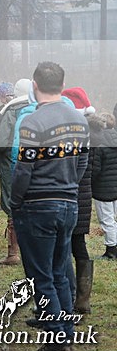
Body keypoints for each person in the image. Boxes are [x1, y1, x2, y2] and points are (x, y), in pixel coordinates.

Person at [11, 62, 88, 351]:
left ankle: (56, 345)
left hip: (38, 205)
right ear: (61, 83)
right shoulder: (79, 120)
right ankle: (64, 338)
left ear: (34, 84)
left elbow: (23, 170)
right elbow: (81, 164)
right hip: (68, 204)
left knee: (41, 277)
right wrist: (67, 185)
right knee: (59, 273)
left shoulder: (33, 121)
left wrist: (15, 202)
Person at [0, 78, 32, 266]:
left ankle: (13, 252)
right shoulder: (39, 107)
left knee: (12, 203)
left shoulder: (12, 110)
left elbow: (1, 140)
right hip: (36, 164)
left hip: (12, 163)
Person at [61, 87, 95, 316]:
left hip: (72, 194)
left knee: (64, 247)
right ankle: (82, 299)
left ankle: (70, 297)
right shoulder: (93, 130)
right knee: (78, 245)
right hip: (83, 196)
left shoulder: (72, 132)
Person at [92, 112, 117, 259]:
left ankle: (111, 251)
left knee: (107, 220)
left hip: (103, 189)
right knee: (113, 219)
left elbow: (96, 170)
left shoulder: (100, 144)